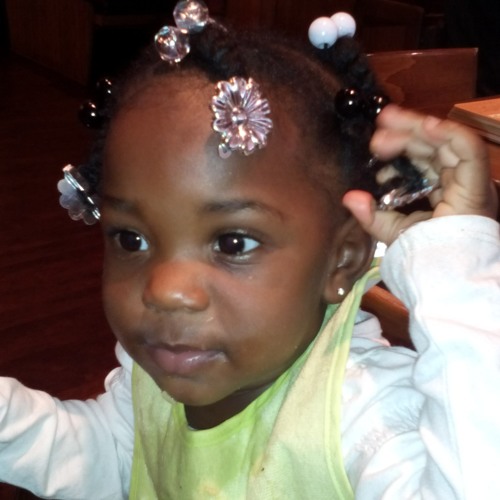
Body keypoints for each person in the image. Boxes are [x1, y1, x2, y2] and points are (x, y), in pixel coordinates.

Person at [1, 2, 499, 498]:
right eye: (132, 239)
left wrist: (455, 263)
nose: (166, 290)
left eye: (232, 242)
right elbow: (115, 456)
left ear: (342, 259)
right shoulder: (157, 368)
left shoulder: (366, 418)